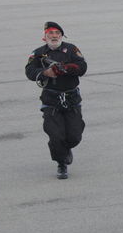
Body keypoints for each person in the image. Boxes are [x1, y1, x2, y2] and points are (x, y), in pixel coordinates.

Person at [25, 21, 87, 179]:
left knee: (75, 136)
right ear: (45, 37)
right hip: (51, 100)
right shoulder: (38, 53)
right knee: (55, 136)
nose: (54, 36)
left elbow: (82, 67)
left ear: (61, 36)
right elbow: (29, 71)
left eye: (57, 34)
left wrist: (66, 69)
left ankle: (65, 149)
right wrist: (46, 72)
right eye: (51, 34)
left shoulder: (72, 49)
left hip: (71, 99)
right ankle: (62, 163)